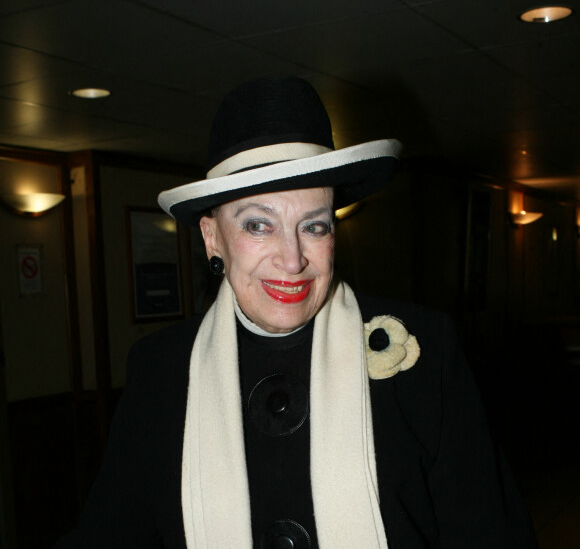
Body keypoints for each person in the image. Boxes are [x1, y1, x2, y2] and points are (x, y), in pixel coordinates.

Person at [55, 77, 537, 548]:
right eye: (259, 225)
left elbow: (490, 531)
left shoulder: (424, 350)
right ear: (212, 237)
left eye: (315, 226)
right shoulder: (160, 369)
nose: (293, 259)